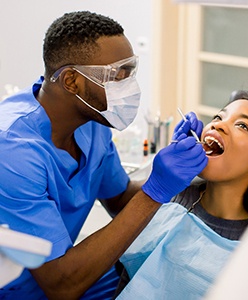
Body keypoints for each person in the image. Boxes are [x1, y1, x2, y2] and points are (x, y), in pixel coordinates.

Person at [0, 11, 208, 299]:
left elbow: (119, 198)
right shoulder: (11, 150)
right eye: (116, 75)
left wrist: (180, 171)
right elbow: (61, 285)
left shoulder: (91, 124)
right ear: (72, 81)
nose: (129, 86)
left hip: (68, 274)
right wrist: (155, 190)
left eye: (130, 71)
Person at [115, 91, 248, 299]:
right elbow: (128, 278)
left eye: (242, 125)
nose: (218, 125)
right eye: (219, 117)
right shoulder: (175, 194)